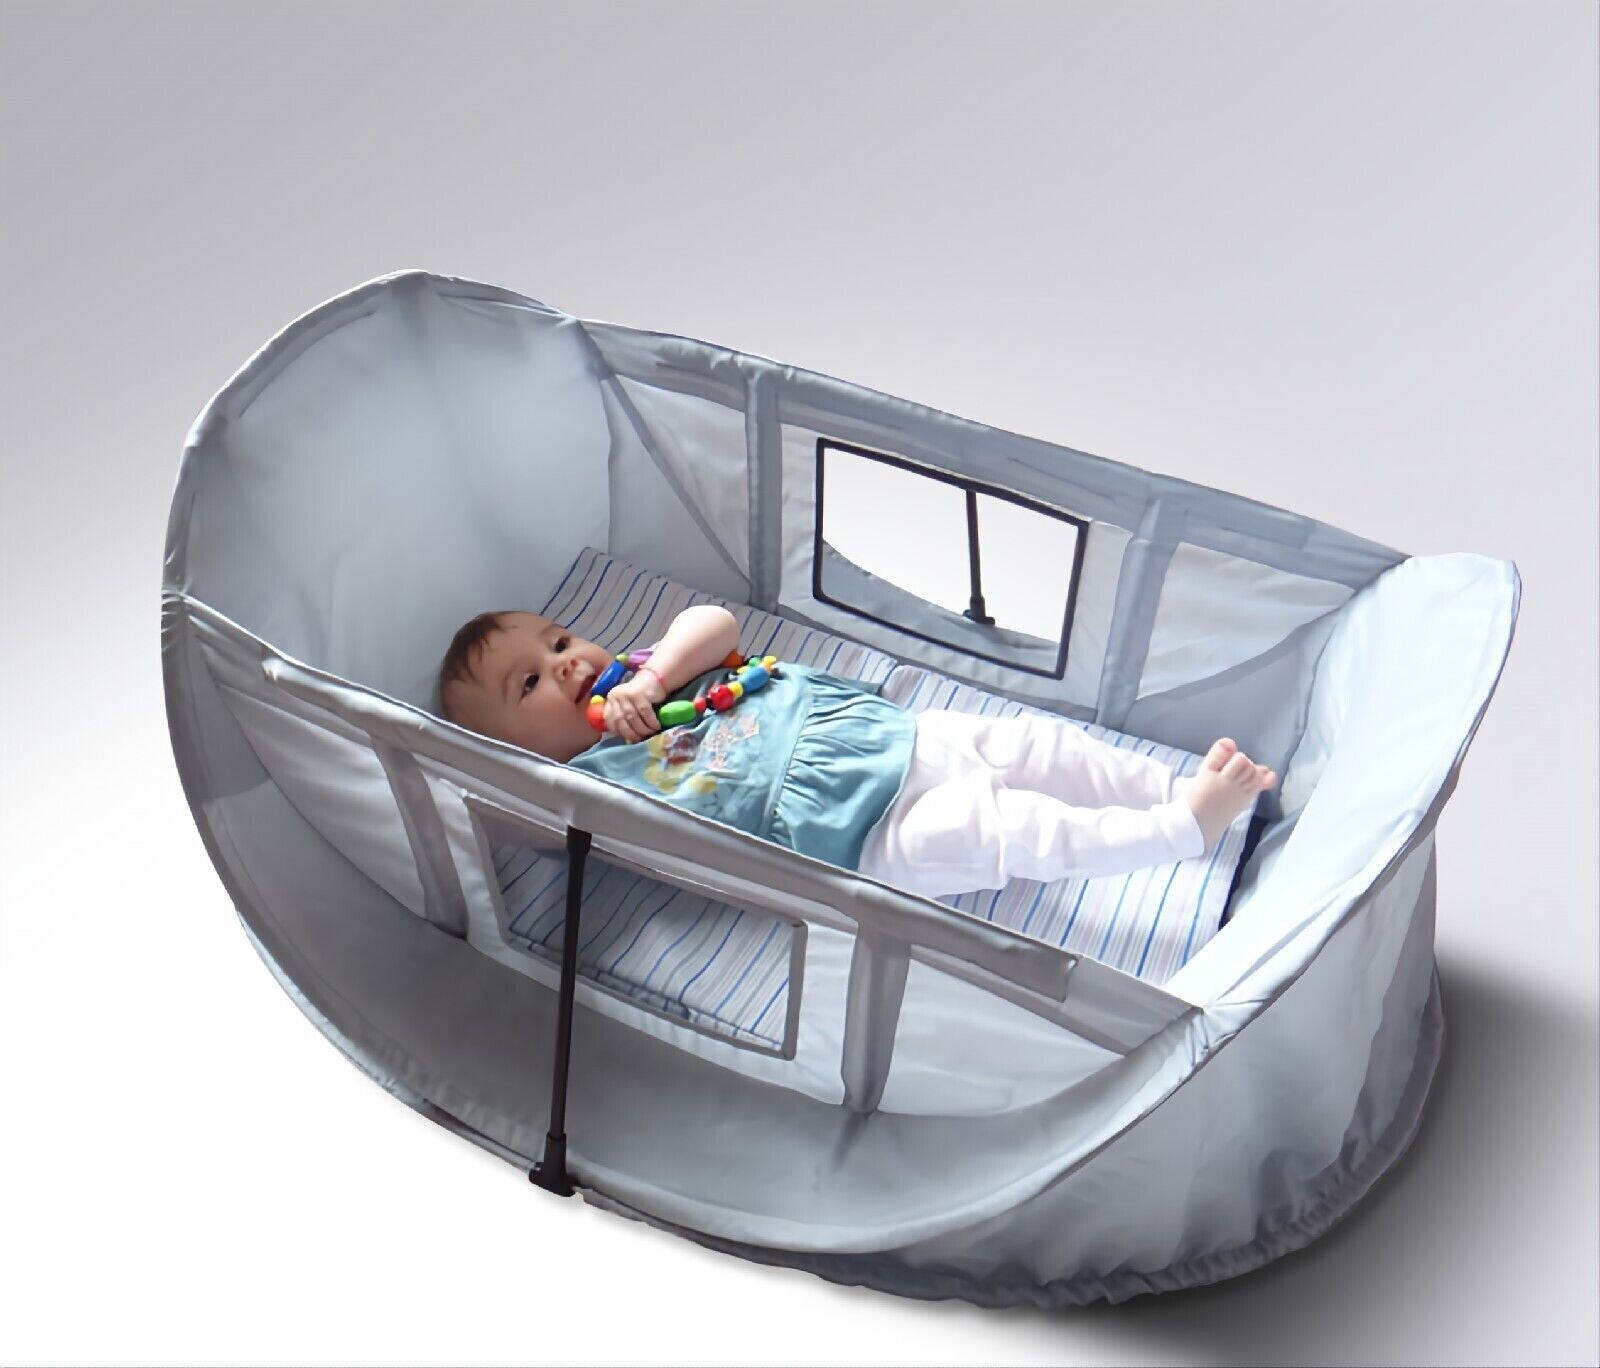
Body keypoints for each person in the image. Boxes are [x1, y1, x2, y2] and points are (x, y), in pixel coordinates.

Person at [436, 604, 1276, 898]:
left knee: (1040, 743)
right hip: (855, 836)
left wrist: (654, 680)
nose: (565, 663)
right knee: (1012, 830)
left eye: (558, 641)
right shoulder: (586, 784)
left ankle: (1172, 785)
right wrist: (513, 773)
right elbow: (529, 822)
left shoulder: (653, 670)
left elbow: (716, 624)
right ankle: (1181, 830)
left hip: (892, 733)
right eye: (529, 683)